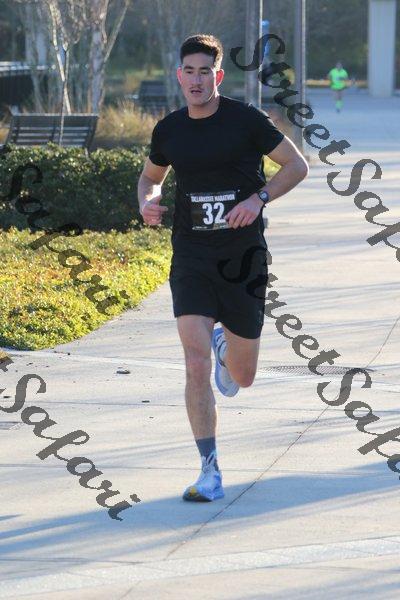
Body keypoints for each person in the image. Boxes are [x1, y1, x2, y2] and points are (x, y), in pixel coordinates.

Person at [137, 34, 308, 502]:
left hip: (243, 260)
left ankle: (225, 346)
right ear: (179, 76)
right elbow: (151, 177)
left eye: (204, 72)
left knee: (243, 377)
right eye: (188, 71)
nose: (196, 80)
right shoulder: (170, 129)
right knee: (194, 364)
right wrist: (148, 202)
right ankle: (209, 470)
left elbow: (296, 166)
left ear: (218, 76)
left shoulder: (246, 121)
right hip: (192, 258)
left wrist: (258, 199)